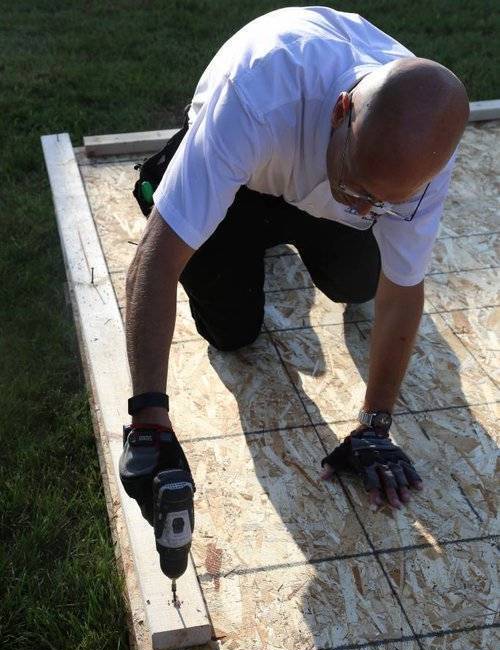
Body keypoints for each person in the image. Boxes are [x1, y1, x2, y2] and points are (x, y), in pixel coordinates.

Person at [119, 6, 469, 556]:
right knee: (233, 333)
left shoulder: (420, 153)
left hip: (308, 170)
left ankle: (269, 223)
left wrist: (376, 424)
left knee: (361, 284)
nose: (361, 204)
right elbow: (155, 261)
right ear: (341, 110)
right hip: (247, 175)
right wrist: (149, 420)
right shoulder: (256, 97)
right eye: (355, 186)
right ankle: (175, 183)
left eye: (379, 201)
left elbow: (402, 290)